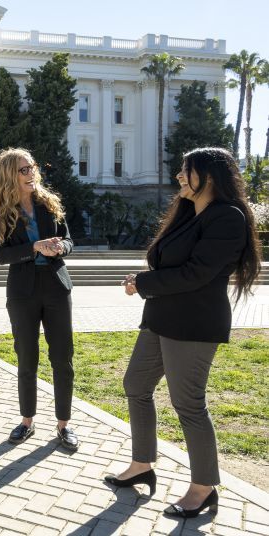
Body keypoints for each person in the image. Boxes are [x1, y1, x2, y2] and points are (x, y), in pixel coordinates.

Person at [105, 147, 261, 518]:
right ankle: (142, 464)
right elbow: (168, 263)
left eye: (185, 171)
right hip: (161, 316)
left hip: (194, 323)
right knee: (136, 386)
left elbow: (197, 273)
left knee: (188, 404)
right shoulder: (189, 213)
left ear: (208, 175)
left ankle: (203, 487)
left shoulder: (228, 218)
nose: (179, 177)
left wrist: (144, 282)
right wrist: (143, 282)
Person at [0, 148, 78, 451]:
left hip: (56, 287)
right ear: (10, 175)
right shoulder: (2, 210)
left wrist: (60, 247)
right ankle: (27, 421)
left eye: (32, 168)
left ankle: (64, 424)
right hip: (22, 293)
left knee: (62, 358)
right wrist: (34, 247)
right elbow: (1, 255)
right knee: (27, 358)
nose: (31, 173)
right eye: (24, 170)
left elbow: (70, 241)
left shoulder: (49, 205)